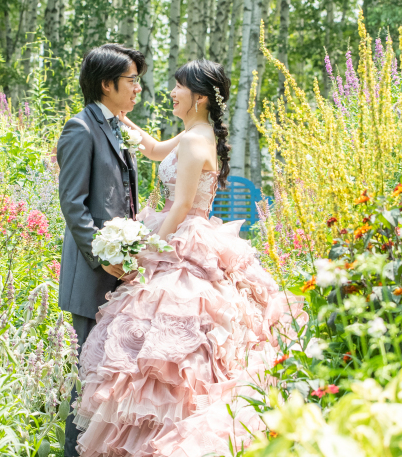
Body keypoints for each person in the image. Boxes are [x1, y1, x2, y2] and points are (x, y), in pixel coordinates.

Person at [72, 59, 308, 457]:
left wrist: (147, 251)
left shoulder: (196, 141)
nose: (172, 93)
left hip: (183, 238)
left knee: (171, 342)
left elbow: (181, 205)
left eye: (178, 86)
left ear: (199, 97)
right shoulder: (192, 134)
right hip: (180, 230)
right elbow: (151, 149)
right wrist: (116, 116)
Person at [56, 43, 145, 457]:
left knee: (109, 377)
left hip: (119, 274)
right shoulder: (81, 128)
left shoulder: (115, 125)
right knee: (86, 380)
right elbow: (73, 204)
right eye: (132, 80)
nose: (138, 88)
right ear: (107, 84)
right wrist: (103, 256)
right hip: (93, 277)